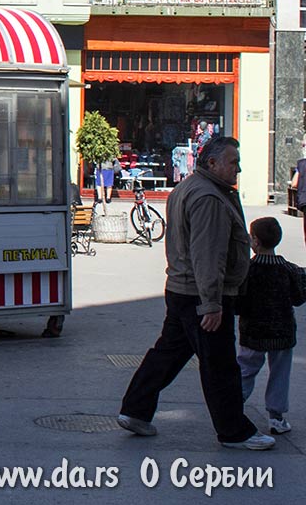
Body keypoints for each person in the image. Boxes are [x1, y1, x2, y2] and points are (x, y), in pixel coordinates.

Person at [117, 136, 274, 449]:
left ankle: (135, 409)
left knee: (169, 354)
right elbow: (207, 254)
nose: (238, 168)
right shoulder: (208, 197)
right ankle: (234, 431)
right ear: (212, 163)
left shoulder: (191, 187)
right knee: (220, 365)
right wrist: (212, 303)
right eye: (233, 162)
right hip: (201, 295)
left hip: (182, 289)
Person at [235, 217, 306, 434]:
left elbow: (238, 303)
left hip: (253, 331)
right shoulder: (288, 269)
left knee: (245, 370)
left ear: (254, 241)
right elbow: (298, 297)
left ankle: (233, 407)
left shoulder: (247, 270)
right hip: (282, 332)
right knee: (280, 372)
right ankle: (276, 417)